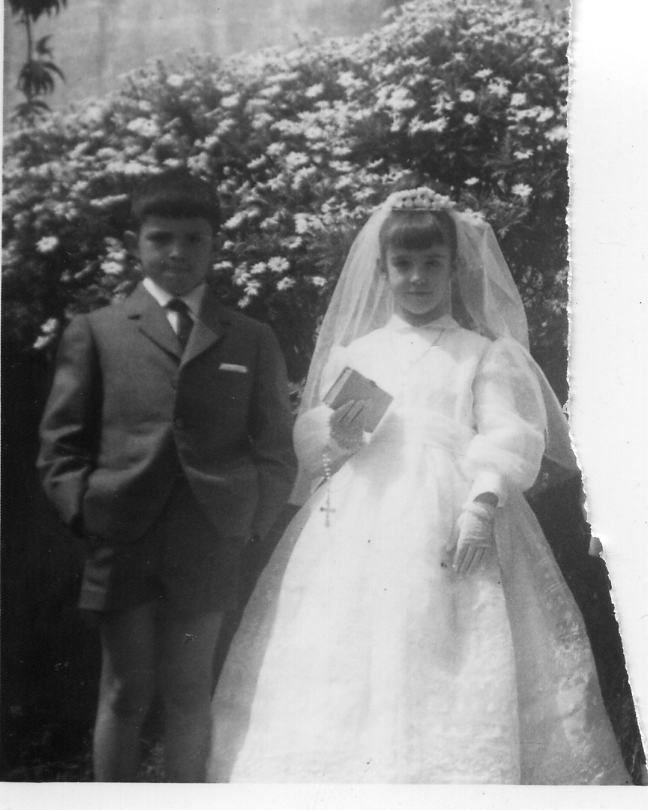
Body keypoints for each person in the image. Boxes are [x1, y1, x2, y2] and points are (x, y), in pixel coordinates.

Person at [206, 186, 631, 784]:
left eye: (432, 263)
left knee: (453, 647)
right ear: (382, 270)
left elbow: (507, 433)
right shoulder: (356, 354)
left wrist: (482, 504)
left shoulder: (482, 353)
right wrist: (338, 437)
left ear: (454, 268)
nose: (417, 278)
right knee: (347, 648)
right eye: (403, 264)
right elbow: (318, 446)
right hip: (360, 519)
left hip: (453, 515)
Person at [37, 169, 297, 782]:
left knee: (189, 691)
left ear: (214, 245)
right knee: (125, 691)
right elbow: (60, 444)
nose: (177, 252)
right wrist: (88, 511)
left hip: (208, 534)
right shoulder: (98, 331)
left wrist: (251, 519)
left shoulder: (249, 337)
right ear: (137, 243)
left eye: (193, 238)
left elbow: (275, 447)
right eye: (161, 238)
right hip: (122, 534)